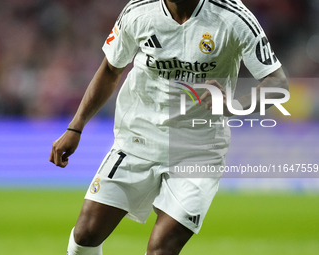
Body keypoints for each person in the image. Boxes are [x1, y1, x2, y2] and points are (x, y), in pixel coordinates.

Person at [50, 0, 288, 254]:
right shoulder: (139, 11)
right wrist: (76, 126)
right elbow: (110, 68)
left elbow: (278, 84)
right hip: (137, 140)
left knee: (162, 249)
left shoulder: (233, 17)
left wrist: (233, 106)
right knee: (86, 234)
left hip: (199, 151)